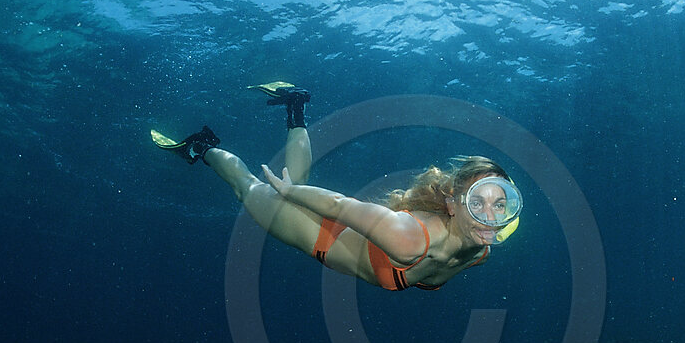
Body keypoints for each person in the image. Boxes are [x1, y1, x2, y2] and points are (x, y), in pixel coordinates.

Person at [155, 83, 522, 291]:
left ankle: (294, 103)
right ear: (455, 204)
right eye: (478, 203)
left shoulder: (482, 249)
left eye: (500, 205)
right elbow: (338, 204)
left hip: (347, 235)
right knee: (248, 188)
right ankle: (201, 147)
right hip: (323, 235)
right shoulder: (408, 237)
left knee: (294, 181)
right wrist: (287, 193)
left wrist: (292, 189)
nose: (489, 217)